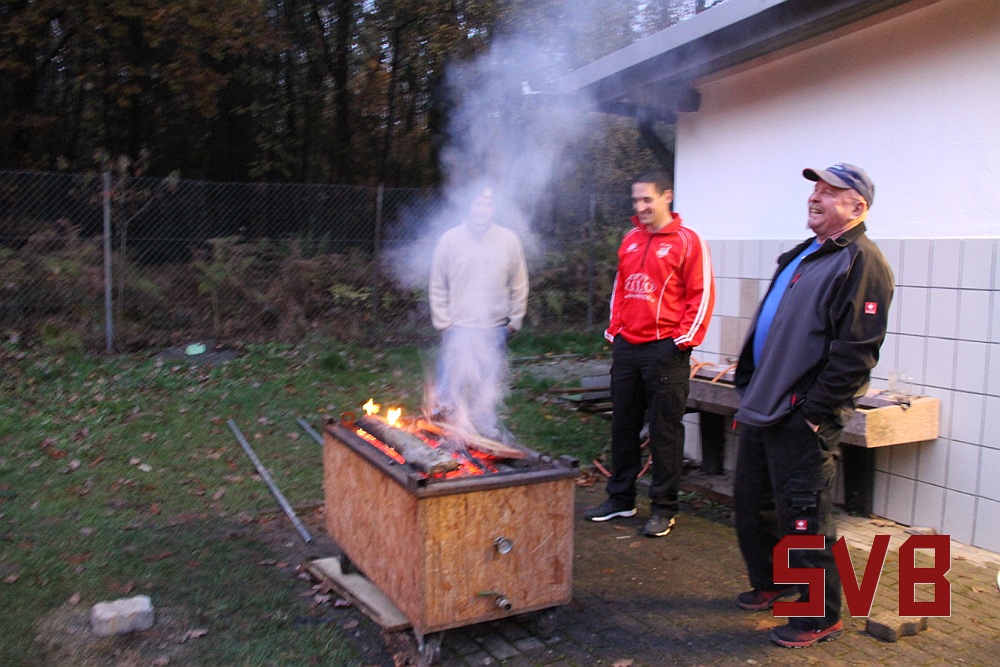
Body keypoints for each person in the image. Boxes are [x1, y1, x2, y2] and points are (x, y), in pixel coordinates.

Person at [732, 163, 894, 648]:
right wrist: (750, 381)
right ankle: (774, 583)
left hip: (801, 413)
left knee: (805, 519)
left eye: (829, 192)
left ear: (857, 206)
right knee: (753, 504)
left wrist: (813, 413)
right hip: (765, 404)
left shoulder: (862, 261)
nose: (815, 197)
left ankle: (818, 617)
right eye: (815, 189)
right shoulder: (806, 253)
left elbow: (856, 353)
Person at [584, 171, 715, 538]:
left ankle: (664, 508)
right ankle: (620, 498)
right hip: (628, 347)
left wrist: (680, 342)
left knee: (664, 432)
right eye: (636, 200)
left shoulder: (689, 240)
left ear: (667, 196)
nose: (640, 207)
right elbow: (621, 288)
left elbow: (701, 294)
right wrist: (615, 331)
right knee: (623, 426)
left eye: (647, 199)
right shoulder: (630, 239)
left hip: (665, 350)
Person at [428, 185, 528, 439]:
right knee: (450, 382)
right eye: (477, 204)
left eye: (487, 204)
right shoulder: (450, 240)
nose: (482, 209)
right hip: (458, 327)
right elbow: (437, 283)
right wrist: (443, 321)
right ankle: (442, 429)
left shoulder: (508, 240)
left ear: (493, 208)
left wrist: (515, 320)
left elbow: (519, 283)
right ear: (468, 206)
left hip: (495, 327)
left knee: (487, 384)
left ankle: (484, 429)